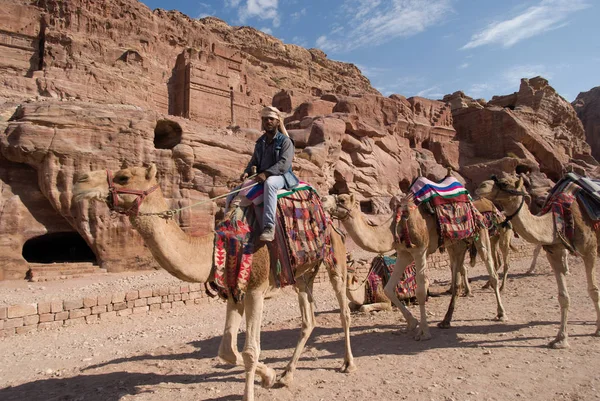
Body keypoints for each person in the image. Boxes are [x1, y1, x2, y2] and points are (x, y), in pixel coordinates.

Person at [240, 106, 299, 242]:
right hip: (262, 176)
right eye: (265, 119)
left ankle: (269, 226)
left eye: (271, 119)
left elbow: (284, 164)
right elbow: (254, 161)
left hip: (281, 177)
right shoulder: (260, 142)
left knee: (271, 184)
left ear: (278, 122)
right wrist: (246, 172)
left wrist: (266, 174)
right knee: (237, 190)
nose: (268, 122)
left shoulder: (285, 141)